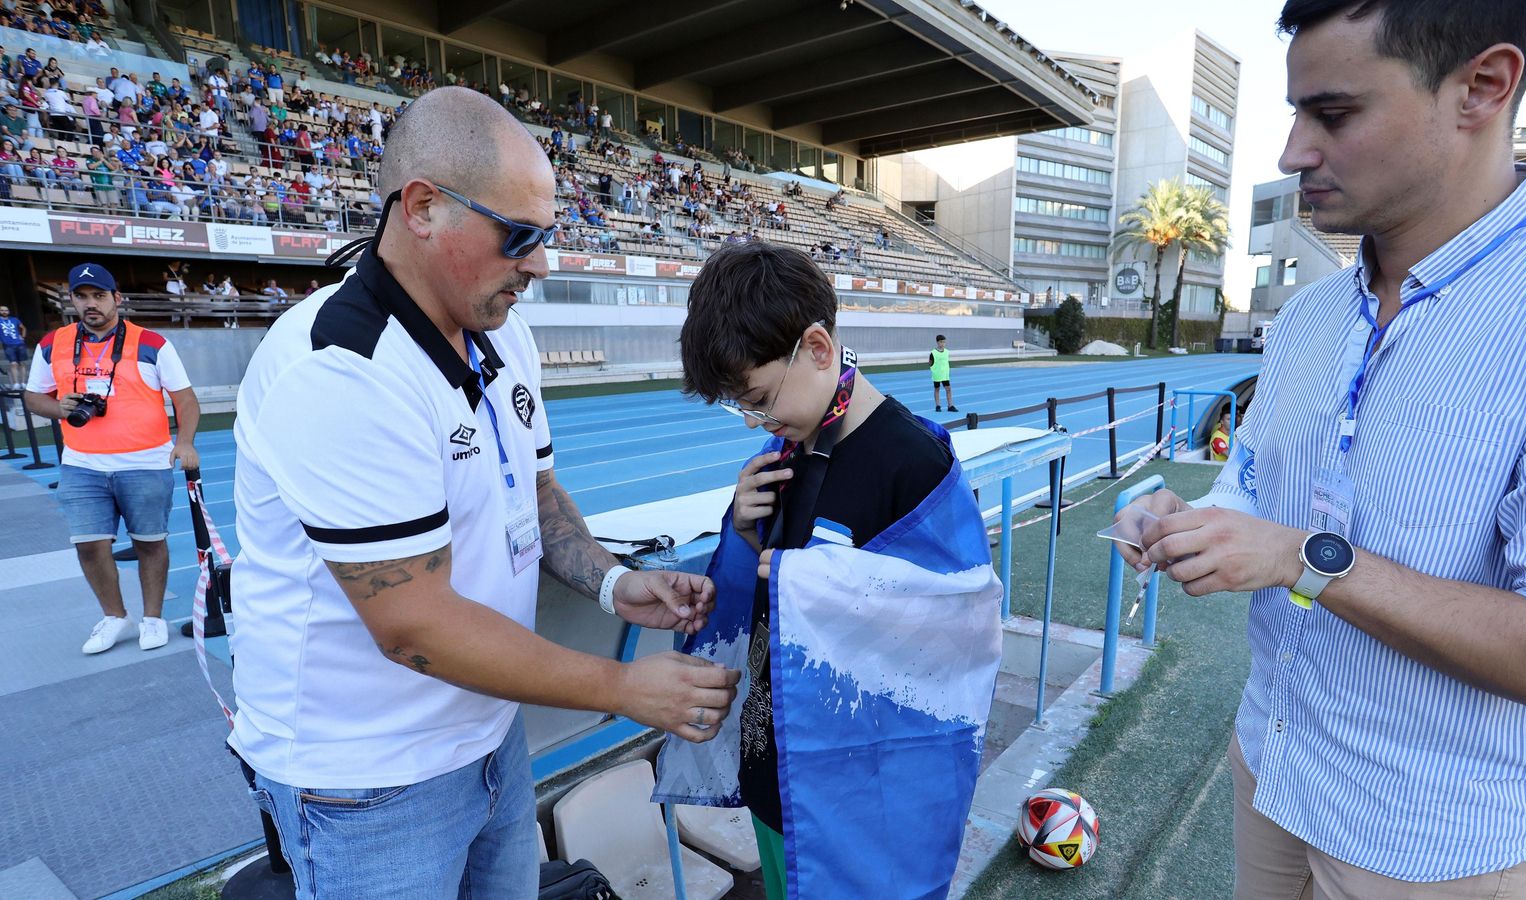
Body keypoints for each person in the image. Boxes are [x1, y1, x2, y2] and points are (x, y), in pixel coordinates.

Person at [1112, 1, 1526, 897]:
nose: (1294, 151)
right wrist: (1194, 520)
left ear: (1482, 86)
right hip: (1273, 760)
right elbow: (1250, 485)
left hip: (1440, 837)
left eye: (1332, 115)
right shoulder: (1307, 315)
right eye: (1297, 114)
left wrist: (1306, 561)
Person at [226, 86, 738, 897]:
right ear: (424, 208)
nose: (539, 262)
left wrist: (614, 583)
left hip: (488, 737)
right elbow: (413, 626)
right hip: (367, 783)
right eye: (520, 235)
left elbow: (534, 498)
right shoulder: (341, 371)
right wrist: (625, 688)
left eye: (548, 236)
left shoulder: (503, 330)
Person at [657, 241, 1002, 899]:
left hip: (862, 797)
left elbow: (958, 635)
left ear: (818, 349)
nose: (758, 420)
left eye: (758, 397)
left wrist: (808, 584)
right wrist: (743, 528)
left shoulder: (915, 467)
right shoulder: (784, 449)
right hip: (777, 772)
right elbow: (762, 589)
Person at [22, 263, 199, 653]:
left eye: (99, 296)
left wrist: (184, 442)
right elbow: (34, 396)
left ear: (116, 298)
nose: (91, 304)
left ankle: (153, 617)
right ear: (71, 300)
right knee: (89, 545)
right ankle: (116, 616)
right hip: (82, 464)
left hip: (145, 463)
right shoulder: (52, 344)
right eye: (82, 296)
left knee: (150, 542)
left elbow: (185, 399)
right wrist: (59, 409)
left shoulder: (152, 343)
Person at [929, 333, 957, 412]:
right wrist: (935, 369)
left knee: (948, 389)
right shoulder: (933, 353)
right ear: (937, 342)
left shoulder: (947, 352)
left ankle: (950, 406)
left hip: (945, 375)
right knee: (937, 389)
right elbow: (930, 363)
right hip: (937, 374)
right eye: (941, 342)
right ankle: (938, 406)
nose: (943, 344)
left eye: (944, 342)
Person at [0, 302, 25, 387]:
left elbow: (23, 327)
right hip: (8, 345)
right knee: (13, 364)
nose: (4, 312)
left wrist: (23, 336)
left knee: (22, 363)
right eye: (2, 310)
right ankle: (16, 383)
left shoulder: (14, 319)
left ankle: (23, 382)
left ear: (8, 311)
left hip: (19, 343)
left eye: (6, 310)